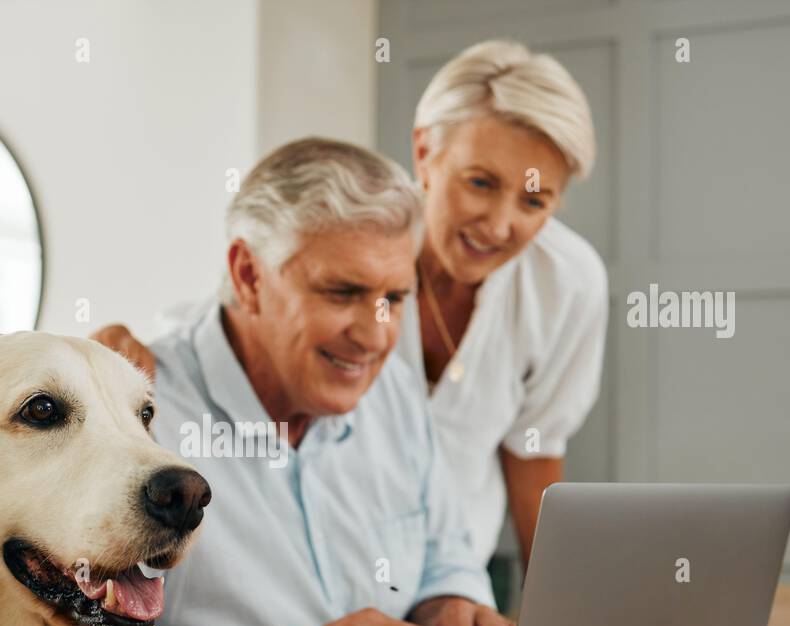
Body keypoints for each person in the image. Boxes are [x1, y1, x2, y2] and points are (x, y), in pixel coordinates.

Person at [96, 39, 608, 594]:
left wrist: (555, 621)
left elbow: (532, 455)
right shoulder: (365, 233)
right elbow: (255, 309)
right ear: (425, 153)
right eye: (480, 183)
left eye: (534, 202)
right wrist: (115, 363)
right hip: (331, 561)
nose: (500, 224)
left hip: (443, 572)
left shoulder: (568, 284)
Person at [110, 138, 514, 626]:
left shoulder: (394, 392)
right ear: (248, 275)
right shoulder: (135, 413)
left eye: (394, 298)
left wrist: (451, 605)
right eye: (343, 292)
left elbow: (443, 560)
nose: (377, 337)